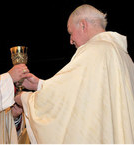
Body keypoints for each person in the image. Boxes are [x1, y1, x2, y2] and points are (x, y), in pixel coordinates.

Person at [15, 4, 134, 144]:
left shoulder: (93, 50)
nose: (71, 41)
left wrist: (25, 98)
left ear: (83, 25)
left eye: (71, 33)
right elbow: (82, 92)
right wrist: (40, 84)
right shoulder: (124, 56)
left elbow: (64, 98)